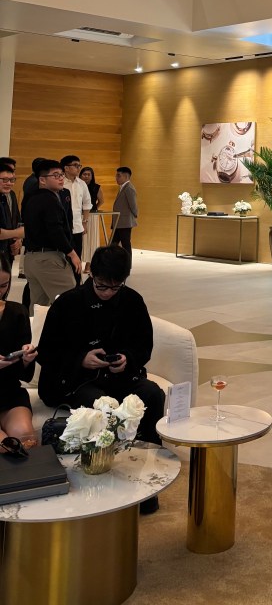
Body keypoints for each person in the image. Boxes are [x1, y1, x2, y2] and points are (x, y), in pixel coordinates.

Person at [36, 243, 164, 513]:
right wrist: (81, 359)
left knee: (153, 395)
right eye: (102, 285)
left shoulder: (131, 301)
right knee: (101, 405)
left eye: (115, 287)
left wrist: (127, 359)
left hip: (118, 377)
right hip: (76, 381)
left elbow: (144, 347)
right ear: (91, 274)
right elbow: (46, 352)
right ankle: (103, 486)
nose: (108, 292)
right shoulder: (68, 303)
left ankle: (148, 475)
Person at [20, 159, 80, 308]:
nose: (60, 178)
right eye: (55, 175)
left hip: (32, 258)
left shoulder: (31, 197)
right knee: (70, 302)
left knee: (39, 306)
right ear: (42, 180)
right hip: (48, 259)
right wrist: (72, 253)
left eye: (61, 175)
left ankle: (36, 325)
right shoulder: (49, 200)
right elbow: (55, 230)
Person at [0, 265, 38, 449]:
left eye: (3, 285)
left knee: (27, 442)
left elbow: (23, 375)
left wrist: (26, 360)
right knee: (4, 446)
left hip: (8, 392)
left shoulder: (17, 312)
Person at [61, 155, 92, 264]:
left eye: (79, 165)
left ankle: (76, 275)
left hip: (78, 226)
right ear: (66, 168)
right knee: (62, 258)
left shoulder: (82, 184)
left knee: (77, 257)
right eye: (75, 165)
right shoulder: (60, 182)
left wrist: (85, 222)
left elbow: (87, 204)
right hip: (62, 227)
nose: (78, 168)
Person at [79, 167, 104, 271]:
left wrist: (93, 209)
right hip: (78, 215)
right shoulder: (77, 186)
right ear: (80, 175)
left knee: (92, 240)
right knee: (80, 239)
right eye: (84, 174)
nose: (86, 176)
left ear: (92, 176)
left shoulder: (96, 187)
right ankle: (78, 263)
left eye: (89, 174)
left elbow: (101, 201)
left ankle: (89, 265)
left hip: (92, 216)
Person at [112, 166, 138, 265]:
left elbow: (133, 205)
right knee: (114, 244)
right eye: (116, 175)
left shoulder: (129, 188)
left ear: (126, 176)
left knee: (125, 244)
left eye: (119, 176)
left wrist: (134, 215)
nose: (116, 178)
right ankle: (113, 263)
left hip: (125, 222)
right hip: (119, 222)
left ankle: (127, 265)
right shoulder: (123, 187)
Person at [0, 162, 23, 272]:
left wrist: (17, 239)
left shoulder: (4, 197)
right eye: (5, 180)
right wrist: (18, 233)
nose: (9, 183)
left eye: (12, 180)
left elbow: (14, 221)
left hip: (6, 251)